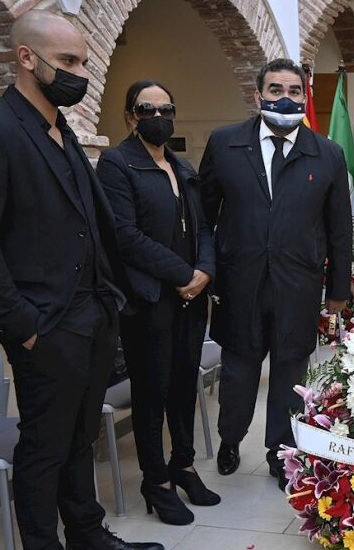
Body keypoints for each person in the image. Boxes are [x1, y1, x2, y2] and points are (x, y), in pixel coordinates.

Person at [0, 10, 162, 550]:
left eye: (83, 62)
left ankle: (87, 534)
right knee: (45, 445)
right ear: (26, 58)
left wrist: (112, 299)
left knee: (80, 438)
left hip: (93, 313)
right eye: (68, 61)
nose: (79, 74)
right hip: (44, 323)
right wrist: (23, 325)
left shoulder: (62, 131)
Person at [199, 58, 353, 487]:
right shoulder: (225, 143)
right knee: (238, 371)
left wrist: (338, 290)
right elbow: (203, 216)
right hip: (239, 283)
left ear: (305, 96)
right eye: (275, 90)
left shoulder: (327, 154)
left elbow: (339, 229)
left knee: (290, 373)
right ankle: (231, 440)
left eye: (294, 91)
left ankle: (280, 452)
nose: (285, 98)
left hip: (298, 285)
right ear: (258, 95)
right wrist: (206, 270)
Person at [96, 81, 219, 525]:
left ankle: (183, 465)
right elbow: (124, 236)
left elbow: (204, 227)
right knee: (152, 392)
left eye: (166, 109)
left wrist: (204, 270)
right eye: (147, 109)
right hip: (150, 301)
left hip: (191, 298)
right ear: (131, 116)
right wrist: (184, 274)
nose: (158, 117)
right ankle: (155, 480)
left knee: (185, 385)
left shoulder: (182, 166)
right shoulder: (116, 163)